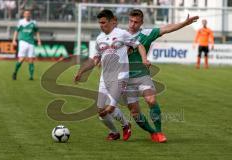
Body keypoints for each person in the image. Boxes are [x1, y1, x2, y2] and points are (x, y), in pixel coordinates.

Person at [74, 9, 149, 141]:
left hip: (121, 76)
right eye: (100, 23)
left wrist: (144, 59)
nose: (101, 25)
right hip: (105, 77)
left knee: (109, 108)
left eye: (103, 22)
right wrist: (81, 71)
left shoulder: (122, 34)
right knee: (100, 110)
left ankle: (126, 125)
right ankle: (115, 131)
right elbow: (95, 59)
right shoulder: (99, 38)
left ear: (110, 22)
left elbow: (139, 45)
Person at [126, 9, 199, 143]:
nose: (132, 24)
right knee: (135, 113)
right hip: (125, 79)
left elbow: (167, 28)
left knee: (151, 100)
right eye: (130, 21)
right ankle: (152, 132)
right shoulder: (120, 35)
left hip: (142, 75)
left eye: (136, 22)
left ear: (141, 22)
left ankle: (159, 132)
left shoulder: (147, 33)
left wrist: (184, 23)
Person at [12, 9, 41, 80]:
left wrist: (39, 41)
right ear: (24, 15)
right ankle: (15, 72)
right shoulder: (21, 22)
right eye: (26, 13)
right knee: (21, 59)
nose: (27, 14)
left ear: (30, 14)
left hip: (31, 42)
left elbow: (37, 32)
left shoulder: (34, 22)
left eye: (29, 13)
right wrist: (14, 40)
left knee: (31, 59)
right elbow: (16, 31)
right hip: (23, 42)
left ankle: (31, 77)